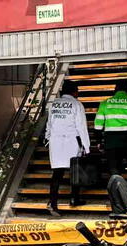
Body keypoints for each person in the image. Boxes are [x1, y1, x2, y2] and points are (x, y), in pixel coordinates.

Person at [45, 80, 90, 217]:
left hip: (55, 141)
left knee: (57, 174)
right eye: (77, 90)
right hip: (71, 141)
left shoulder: (54, 104)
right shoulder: (77, 104)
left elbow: (49, 123)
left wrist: (47, 138)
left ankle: (53, 203)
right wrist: (87, 147)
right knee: (75, 171)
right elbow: (81, 127)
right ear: (74, 91)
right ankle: (74, 199)